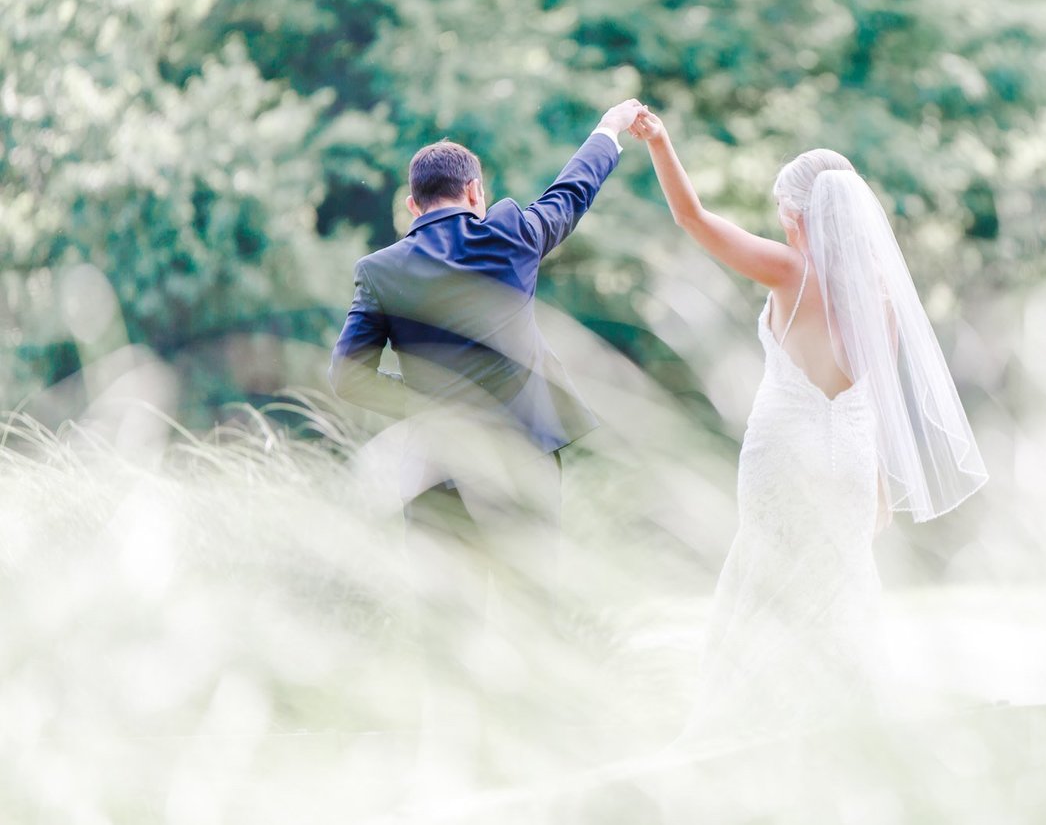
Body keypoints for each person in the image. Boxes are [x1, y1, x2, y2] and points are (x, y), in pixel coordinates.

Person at [628, 108, 989, 740]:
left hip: (784, 455)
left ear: (799, 214)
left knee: (766, 584)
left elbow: (693, 219)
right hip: (849, 460)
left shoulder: (791, 272)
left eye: (780, 209)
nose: (779, 221)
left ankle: (746, 734)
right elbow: (871, 396)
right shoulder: (881, 293)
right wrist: (877, 483)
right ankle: (847, 735)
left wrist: (659, 142)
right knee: (842, 595)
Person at [328, 98, 646, 614]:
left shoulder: (380, 271)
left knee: (446, 621)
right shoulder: (509, 235)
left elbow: (347, 378)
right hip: (525, 454)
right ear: (475, 191)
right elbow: (571, 193)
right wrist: (609, 129)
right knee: (534, 606)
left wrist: (431, 403)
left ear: (413, 204)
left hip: (438, 466)